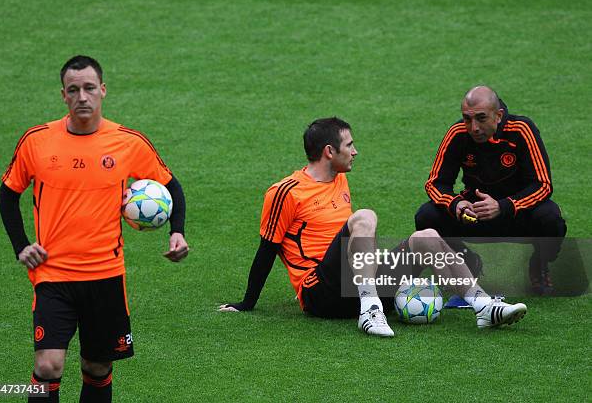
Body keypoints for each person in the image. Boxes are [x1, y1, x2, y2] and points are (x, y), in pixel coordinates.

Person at [219, 117, 527, 336]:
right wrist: (246, 304)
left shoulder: (340, 180)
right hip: (319, 292)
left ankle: (483, 306)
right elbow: (266, 249)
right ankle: (370, 310)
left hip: (353, 281)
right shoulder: (286, 191)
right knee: (364, 216)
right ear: (329, 151)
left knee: (427, 237)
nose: (355, 151)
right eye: (349, 145)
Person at [0, 55, 189, 403]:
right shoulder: (37, 141)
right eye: (74, 90)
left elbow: (171, 186)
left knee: (97, 367)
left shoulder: (128, 142)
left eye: (88, 88)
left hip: (105, 274)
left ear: (102, 90)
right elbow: (8, 195)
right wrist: (21, 246)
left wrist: (177, 232)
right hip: (52, 273)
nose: (82, 96)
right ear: (63, 96)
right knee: (48, 365)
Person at [415, 86, 567, 297]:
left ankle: (540, 264)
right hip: (474, 216)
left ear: (498, 116)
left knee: (550, 218)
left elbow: (542, 185)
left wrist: (503, 206)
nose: (473, 127)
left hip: (517, 216)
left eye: (481, 118)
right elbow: (435, 183)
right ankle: (466, 262)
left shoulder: (522, 129)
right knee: (426, 216)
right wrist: (456, 204)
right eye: (467, 119)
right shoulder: (457, 133)